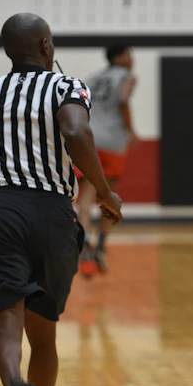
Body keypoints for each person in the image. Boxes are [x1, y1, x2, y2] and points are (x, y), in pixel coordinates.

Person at [0, 13, 122, 386]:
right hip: (54, 216)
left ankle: (14, 385)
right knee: (44, 333)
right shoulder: (66, 86)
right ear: (46, 45)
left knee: (6, 324)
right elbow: (75, 131)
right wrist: (108, 194)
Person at [76, 44, 138, 277]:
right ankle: (100, 246)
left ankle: (83, 248)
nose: (132, 60)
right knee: (108, 199)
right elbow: (122, 101)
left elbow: (78, 105)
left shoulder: (93, 77)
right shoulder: (128, 77)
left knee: (86, 196)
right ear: (119, 57)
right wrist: (131, 130)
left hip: (89, 140)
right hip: (112, 142)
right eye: (129, 55)